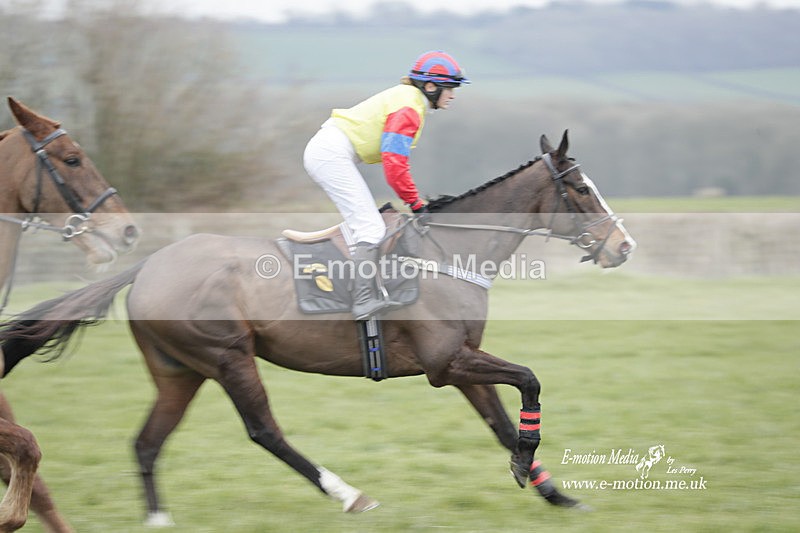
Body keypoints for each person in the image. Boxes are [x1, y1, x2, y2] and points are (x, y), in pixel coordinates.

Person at [303, 50, 470, 321]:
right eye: (450, 88)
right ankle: (362, 301)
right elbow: (394, 165)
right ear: (430, 87)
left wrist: (413, 201)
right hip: (330, 155)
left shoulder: (409, 100)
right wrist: (415, 203)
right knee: (370, 227)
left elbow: (394, 164)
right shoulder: (409, 109)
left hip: (330, 152)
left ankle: (364, 285)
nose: (453, 95)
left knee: (368, 224)